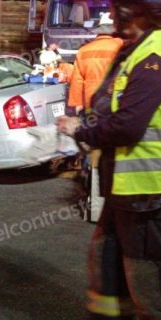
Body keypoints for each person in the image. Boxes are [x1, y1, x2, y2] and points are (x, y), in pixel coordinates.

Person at [57, 0, 161, 319]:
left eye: (116, 3)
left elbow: (127, 126)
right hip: (136, 192)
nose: (112, 11)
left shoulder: (158, 56)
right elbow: (112, 107)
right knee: (111, 268)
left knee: (160, 285)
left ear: (136, 7)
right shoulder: (138, 49)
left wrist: (80, 130)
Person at [66, 12, 124, 222]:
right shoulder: (122, 47)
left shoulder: (84, 51)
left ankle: (94, 204)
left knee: (94, 155)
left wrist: (79, 113)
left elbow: (76, 88)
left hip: (92, 112)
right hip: (116, 109)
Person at [67, 13, 124, 114]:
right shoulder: (122, 46)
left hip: (91, 107)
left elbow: (77, 82)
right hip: (115, 106)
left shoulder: (83, 50)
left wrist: (78, 106)